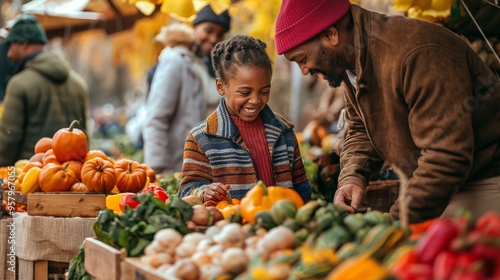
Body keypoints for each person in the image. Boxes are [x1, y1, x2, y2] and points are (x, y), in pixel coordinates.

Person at [274, 0, 500, 223]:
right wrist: (353, 176)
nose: (304, 71)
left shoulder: (417, 53)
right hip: (436, 185)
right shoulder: (351, 61)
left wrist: (394, 222)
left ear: (331, 35)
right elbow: (360, 126)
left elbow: (446, 157)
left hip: (484, 179)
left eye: (303, 59)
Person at [178, 35, 312, 203]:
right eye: (245, 92)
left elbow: (303, 191)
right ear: (221, 86)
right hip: (231, 226)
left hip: (281, 226)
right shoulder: (201, 138)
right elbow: (186, 191)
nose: (255, 100)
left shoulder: (284, 132)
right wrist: (204, 192)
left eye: (264, 91)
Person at [0, 14, 89, 167]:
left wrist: (7, 184)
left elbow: (6, 143)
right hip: (71, 179)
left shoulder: (19, 84)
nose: (8, 54)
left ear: (23, 45)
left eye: (11, 46)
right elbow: (85, 136)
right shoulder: (78, 83)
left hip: (29, 179)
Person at [143, 23, 207, 174]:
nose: (214, 38)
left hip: (190, 164)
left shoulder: (194, 63)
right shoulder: (175, 62)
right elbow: (156, 117)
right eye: (208, 31)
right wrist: (158, 167)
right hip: (175, 167)